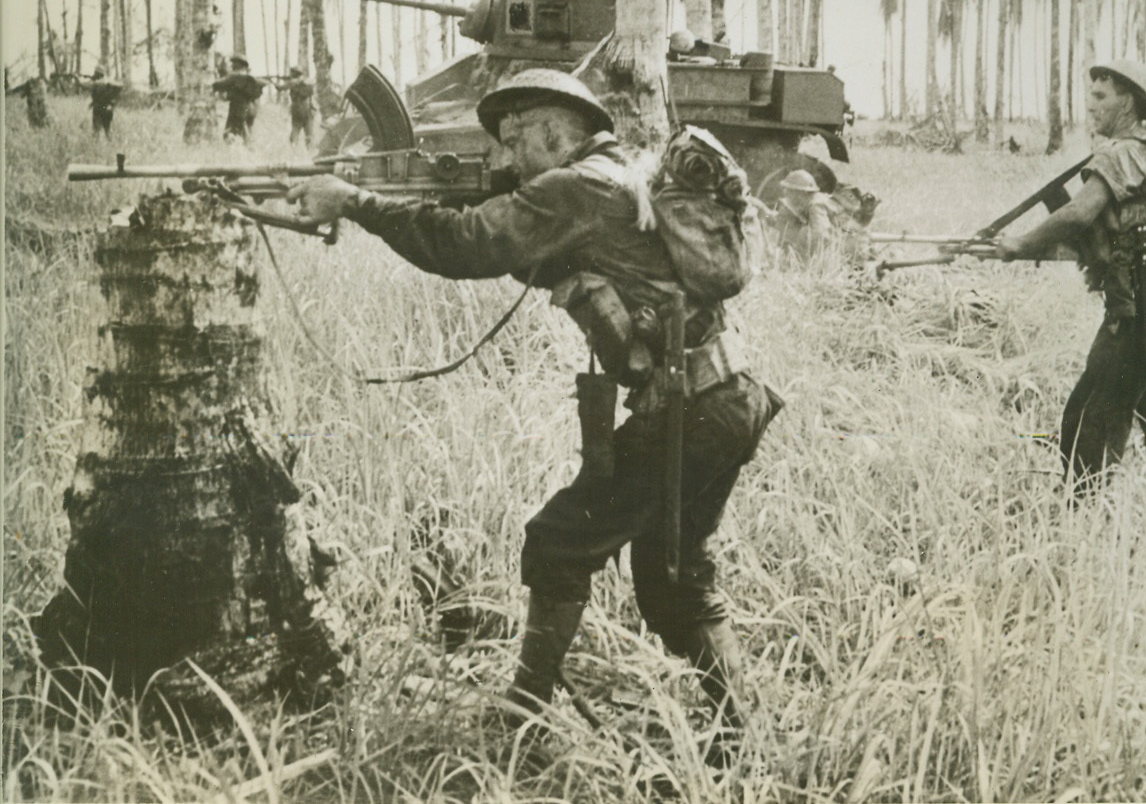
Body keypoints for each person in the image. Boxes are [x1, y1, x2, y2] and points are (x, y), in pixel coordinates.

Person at [287, 69, 782, 759]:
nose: (506, 159)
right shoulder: (614, 176)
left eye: (518, 140)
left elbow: (465, 244)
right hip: (725, 400)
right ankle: (752, 734)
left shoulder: (576, 188)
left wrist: (356, 202)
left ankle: (520, 722)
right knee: (674, 582)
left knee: (556, 543)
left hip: (690, 411)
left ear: (559, 128)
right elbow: (535, 258)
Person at [996, 59, 1146, 504]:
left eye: (1101, 96)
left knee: (1093, 414)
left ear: (1127, 100)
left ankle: (1078, 514)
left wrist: (1018, 244)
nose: (1091, 106)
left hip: (1140, 314)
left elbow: (1078, 213)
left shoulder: (1119, 153)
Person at [212, 54, 263, 144]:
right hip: (251, 108)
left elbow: (217, 85)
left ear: (240, 64)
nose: (232, 65)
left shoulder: (234, 76)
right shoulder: (250, 78)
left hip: (238, 109)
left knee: (228, 133)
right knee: (247, 132)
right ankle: (249, 152)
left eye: (234, 63)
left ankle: (248, 151)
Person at [274, 67, 316, 147]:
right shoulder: (307, 82)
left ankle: (293, 149)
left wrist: (274, 83)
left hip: (297, 108)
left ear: (294, 74)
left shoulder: (292, 83)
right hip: (307, 108)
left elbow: (280, 88)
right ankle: (309, 152)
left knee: (295, 129)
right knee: (309, 132)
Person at [86, 67, 122, 139]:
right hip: (108, 108)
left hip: (98, 108)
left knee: (96, 130)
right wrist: (113, 103)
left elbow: (93, 95)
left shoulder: (96, 84)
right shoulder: (111, 83)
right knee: (107, 130)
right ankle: (110, 144)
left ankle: (96, 146)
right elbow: (119, 88)